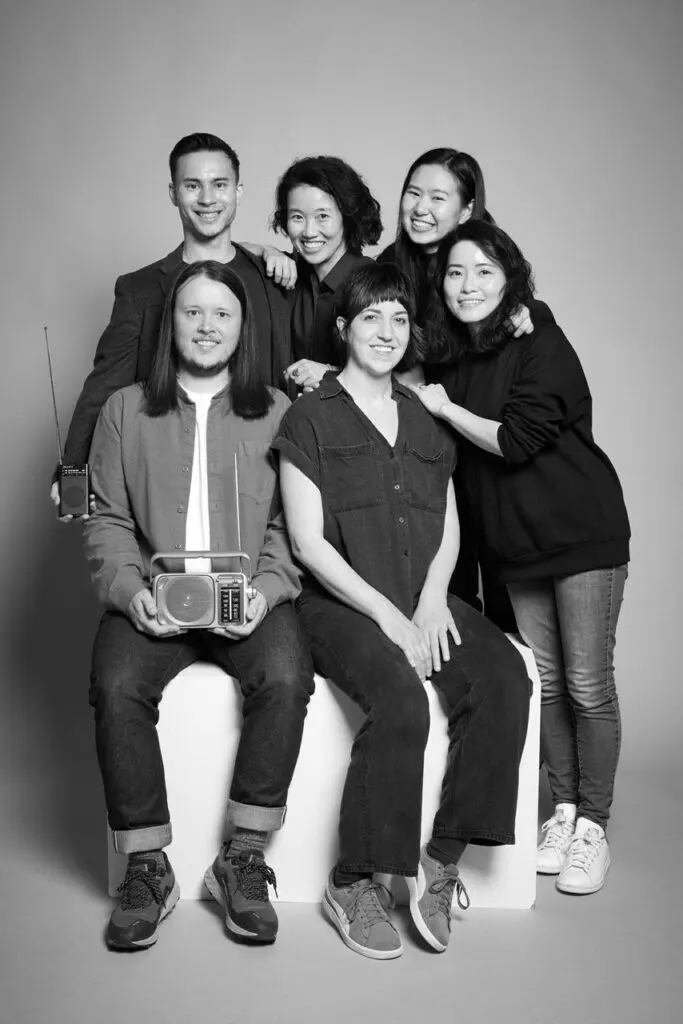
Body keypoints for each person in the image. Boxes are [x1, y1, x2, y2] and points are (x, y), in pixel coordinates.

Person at [273, 263, 530, 960]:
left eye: (396, 318)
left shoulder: (422, 413)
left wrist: (427, 600)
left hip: (425, 595)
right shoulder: (309, 416)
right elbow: (306, 542)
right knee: (400, 701)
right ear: (342, 329)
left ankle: (440, 862)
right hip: (340, 605)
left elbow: (447, 521)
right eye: (369, 318)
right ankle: (353, 879)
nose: (385, 332)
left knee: (506, 679)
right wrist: (390, 616)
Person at [83, 260, 315, 951]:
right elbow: (107, 524)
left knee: (286, 675)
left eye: (223, 314)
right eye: (193, 312)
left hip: (245, 598)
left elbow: (287, 528)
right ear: (170, 324)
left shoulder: (277, 410)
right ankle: (147, 866)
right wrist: (133, 594)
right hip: (157, 596)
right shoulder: (125, 410)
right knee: (115, 682)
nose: (207, 326)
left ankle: (242, 856)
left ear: (243, 328)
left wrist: (267, 593)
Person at [414, 220, 630, 896]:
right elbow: (380, 346)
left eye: (483, 270)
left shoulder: (538, 335)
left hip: (579, 532)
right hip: (516, 545)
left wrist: (445, 410)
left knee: (587, 685)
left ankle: (592, 825)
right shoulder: (452, 352)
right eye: (454, 272)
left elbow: (515, 441)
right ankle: (561, 814)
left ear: (509, 277)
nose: (467, 283)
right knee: (550, 683)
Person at [52, 132, 296, 519]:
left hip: (261, 478)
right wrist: (72, 473)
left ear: (238, 191)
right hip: (167, 481)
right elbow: (103, 387)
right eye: (192, 185)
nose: (207, 199)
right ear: (172, 192)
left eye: (219, 185)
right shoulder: (141, 289)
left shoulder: (275, 279)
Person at [271, 155, 382, 390]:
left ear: (346, 217)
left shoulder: (373, 280)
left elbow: (397, 378)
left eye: (323, 216)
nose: (309, 231)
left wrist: (332, 374)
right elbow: (229, 254)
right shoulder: (289, 272)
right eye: (297, 217)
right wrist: (265, 250)